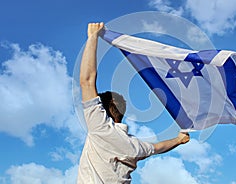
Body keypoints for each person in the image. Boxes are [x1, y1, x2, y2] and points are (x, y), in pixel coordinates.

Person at [77, 22, 190, 184]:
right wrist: (179, 140)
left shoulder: (100, 128)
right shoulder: (135, 147)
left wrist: (92, 37)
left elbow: (87, 81)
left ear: (103, 110)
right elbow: (158, 148)